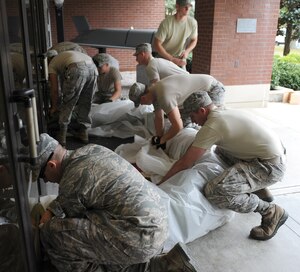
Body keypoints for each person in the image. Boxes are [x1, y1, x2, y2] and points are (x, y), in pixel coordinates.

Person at [35, 133, 200, 272]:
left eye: (44, 177)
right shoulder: (89, 150)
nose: (48, 181)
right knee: (95, 227)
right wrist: (52, 209)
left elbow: (67, 216)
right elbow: (75, 195)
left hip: (140, 236)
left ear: (51, 165)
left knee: (53, 233)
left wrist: (46, 219)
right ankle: (163, 265)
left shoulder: (72, 179)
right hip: (157, 226)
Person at [160, 91, 288, 241]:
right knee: (220, 151)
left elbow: (185, 162)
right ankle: (256, 186)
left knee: (215, 191)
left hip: (269, 166)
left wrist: (160, 185)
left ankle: (271, 211)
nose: (194, 122)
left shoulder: (213, 125)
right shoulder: (222, 110)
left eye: (193, 117)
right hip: (269, 155)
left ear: (202, 110)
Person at [129, 74, 225, 148]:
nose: (143, 105)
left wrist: (163, 140)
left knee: (210, 122)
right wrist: (159, 138)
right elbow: (159, 118)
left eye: (141, 103)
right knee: (187, 123)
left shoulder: (163, 95)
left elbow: (177, 126)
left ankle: (211, 148)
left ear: (143, 98)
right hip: (199, 92)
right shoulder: (154, 92)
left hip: (213, 89)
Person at [46, 49, 98, 146]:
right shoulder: (64, 56)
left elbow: (54, 89)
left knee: (68, 102)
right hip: (92, 67)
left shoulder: (52, 63)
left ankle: (62, 136)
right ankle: (83, 133)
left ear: (48, 59)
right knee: (86, 101)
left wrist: (54, 107)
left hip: (77, 68)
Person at [154, 0, 198, 68]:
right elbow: (157, 44)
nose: (187, 9)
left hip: (180, 58)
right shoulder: (166, 23)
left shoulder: (192, 23)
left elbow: (194, 40)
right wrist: (171, 59)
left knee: (184, 77)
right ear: (177, 6)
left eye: (189, 6)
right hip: (164, 56)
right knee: (164, 78)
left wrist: (187, 51)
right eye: (185, 6)